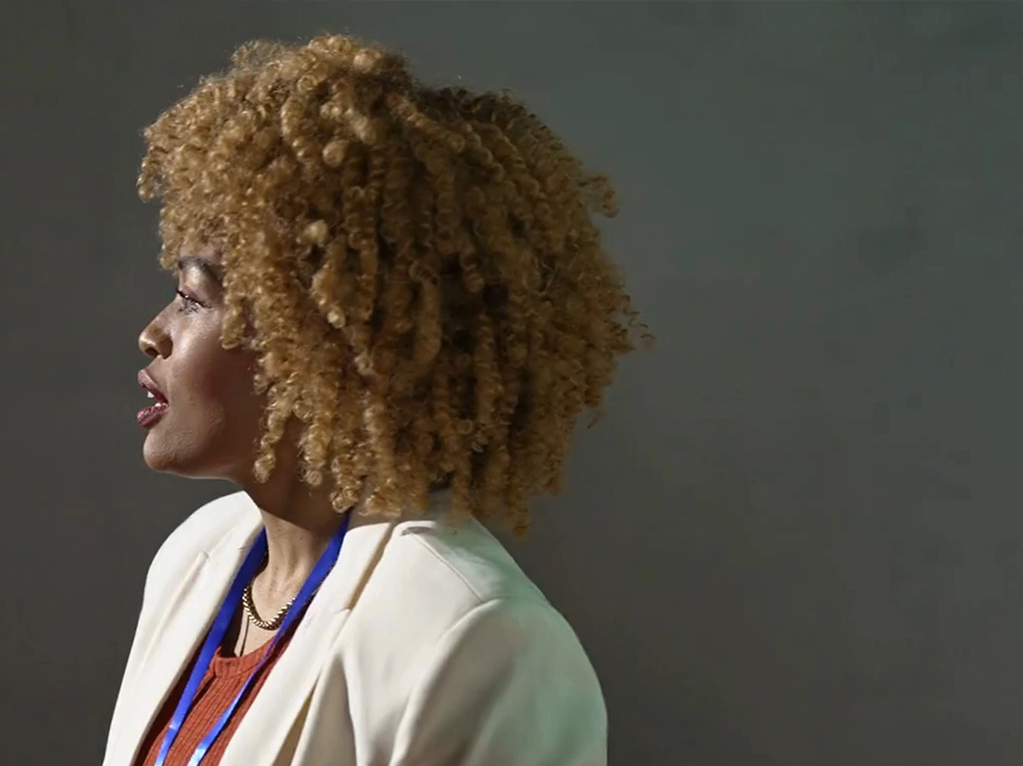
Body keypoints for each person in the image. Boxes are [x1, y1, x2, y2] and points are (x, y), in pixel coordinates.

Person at [103, 34, 645, 766]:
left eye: (191, 298)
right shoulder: (196, 559)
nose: (152, 334)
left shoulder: (476, 638)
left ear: (324, 341)